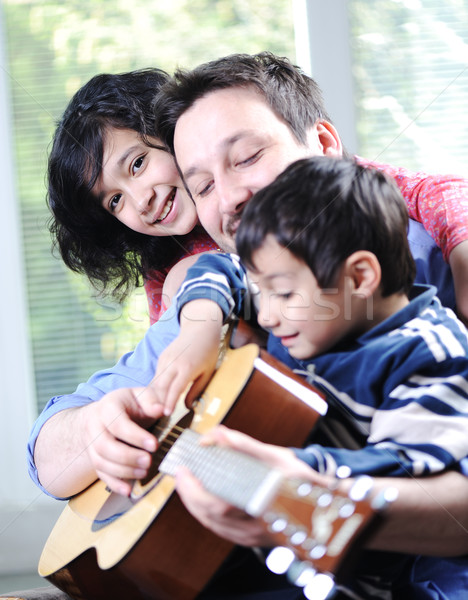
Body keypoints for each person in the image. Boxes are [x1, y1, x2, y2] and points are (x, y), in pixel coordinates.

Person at [28, 53, 468, 594]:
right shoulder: (211, 275)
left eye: (246, 157)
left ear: (325, 147)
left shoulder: (423, 267)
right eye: (202, 186)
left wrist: (308, 496)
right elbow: (47, 452)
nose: (230, 199)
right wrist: (98, 428)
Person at [152, 156, 468, 597]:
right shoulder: (315, 302)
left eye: (282, 294)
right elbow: (224, 268)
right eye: (261, 293)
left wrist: (296, 471)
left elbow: (408, 470)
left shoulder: (429, 354)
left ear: (360, 276)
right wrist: (200, 327)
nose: (265, 313)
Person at [47, 68, 217, 324]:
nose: (140, 201)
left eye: (137, 164)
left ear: (167, 130)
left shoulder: (251, 193)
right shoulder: (163, 275)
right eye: (115, 201)